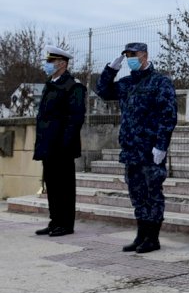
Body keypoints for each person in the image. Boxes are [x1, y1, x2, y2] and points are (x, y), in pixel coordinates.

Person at [96, 42, 177, 253]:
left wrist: (161, 145)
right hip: (131, 149)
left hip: (151, 149)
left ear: (144, 55)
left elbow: (168, 116)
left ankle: (153, 237)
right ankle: (141, 235)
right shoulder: (126, 83)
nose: (130, 57)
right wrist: (110, 69)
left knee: (153, 193)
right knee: (137, 194)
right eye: (127, 55)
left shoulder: (160, 82)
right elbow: (103, 91)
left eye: (134, 54)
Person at [33, 45, 87, 237]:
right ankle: (55, 221)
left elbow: (75, 119)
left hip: (62, 147)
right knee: (52, 185)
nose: (47, 65)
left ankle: (65, 224)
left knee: (64, 186)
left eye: (51, 61)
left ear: (62, 64)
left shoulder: (73, 86)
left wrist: (65, 144)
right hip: (48, 145)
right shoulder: (51, 84)